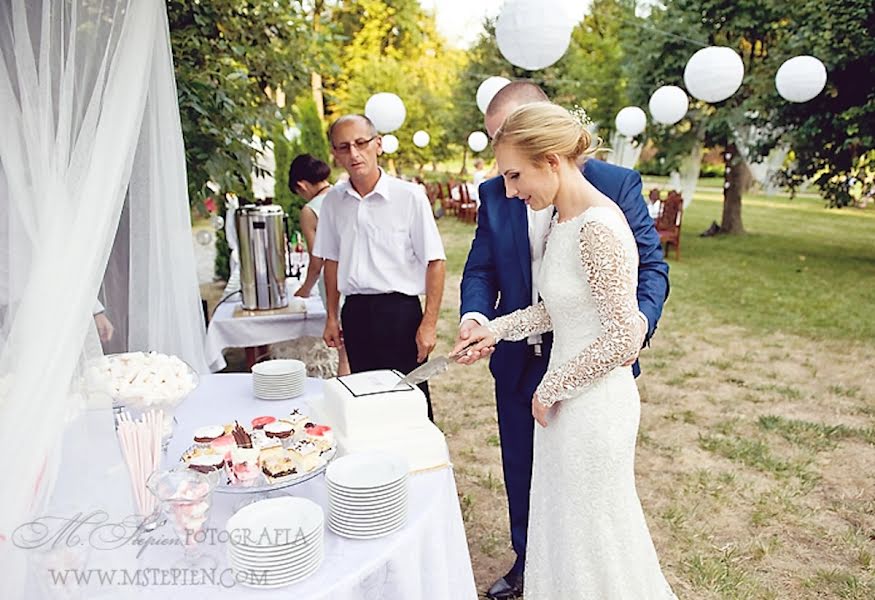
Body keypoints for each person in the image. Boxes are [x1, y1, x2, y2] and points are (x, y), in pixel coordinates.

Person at [456, 83, 670, 599]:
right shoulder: (565, 217)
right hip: (560, 391)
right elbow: (556, 306)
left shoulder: (597, 222)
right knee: (562, 525)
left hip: (590, 401)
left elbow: (622, 334)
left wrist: (553, 386)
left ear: (549, 160)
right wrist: (492, 326)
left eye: (514, 175)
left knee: (594, 530)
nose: (509, 191)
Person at [312, 115, 446, 419]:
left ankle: (419, 462)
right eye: (344, 147)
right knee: (367, 401)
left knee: (410, 399)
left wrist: (429, 323)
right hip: (356, 313)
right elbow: (331, 262)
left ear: (378, 144)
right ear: (334, 154)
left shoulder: (409, 196)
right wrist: (332, 317)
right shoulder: (333, 201)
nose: (354, 154)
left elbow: (435, 262)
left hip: (400, 314)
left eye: (361, 143)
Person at [288, 153, 350, 376]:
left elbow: (317, 259)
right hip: (360, 276)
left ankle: (346, 397)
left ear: (301, 185)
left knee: (345, 349)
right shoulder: (346, 195)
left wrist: (304, 289)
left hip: (333, 280)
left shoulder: (310, 210)